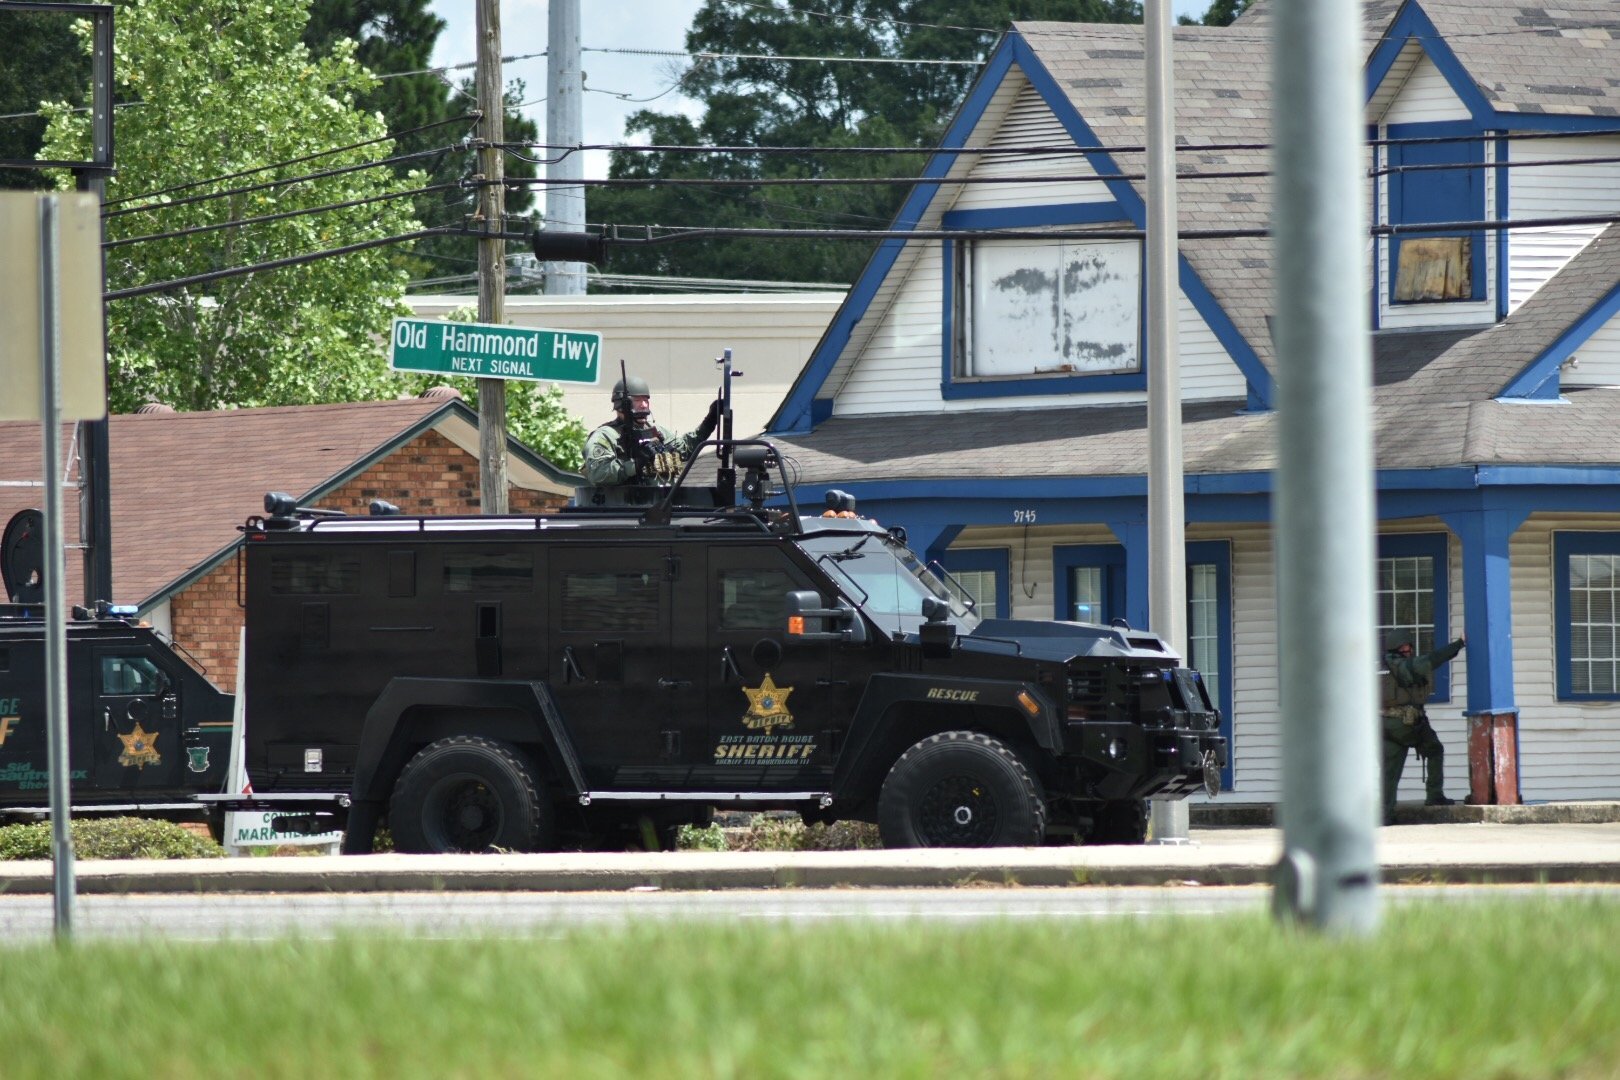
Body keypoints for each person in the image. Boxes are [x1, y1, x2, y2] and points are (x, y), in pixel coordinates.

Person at [1380, 629, 1465, 823]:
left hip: (1384, 726)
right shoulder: (1405, 665)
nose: (1408, 649)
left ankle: (1385, 814)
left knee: (1389, 771)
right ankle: (1434, 795)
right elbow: (1433, 659)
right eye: (1404, 646)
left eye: (1409, 645)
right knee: (1434, 750)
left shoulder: (1379, 666)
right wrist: (1458, 644)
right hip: (1407, 724)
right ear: (1396, 647)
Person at [582, 375, 720, 487]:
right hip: (622, 507)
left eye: (646, 400)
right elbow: (598, 473)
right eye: (637, 400)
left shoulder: (656, 432)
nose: (644, 405)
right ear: (621, 403)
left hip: (662, 505)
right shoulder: (606, 436)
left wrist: (709, 422)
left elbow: (685, 449)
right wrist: (635, 464)